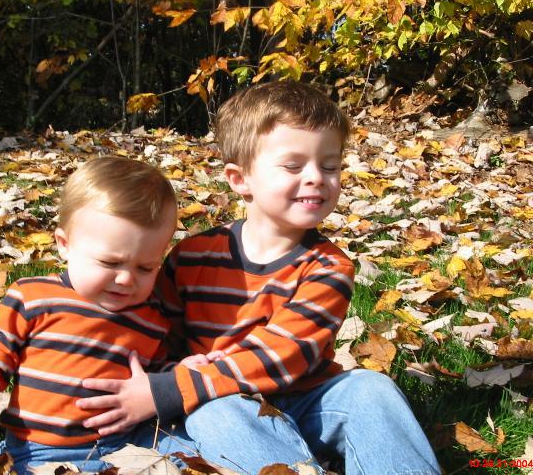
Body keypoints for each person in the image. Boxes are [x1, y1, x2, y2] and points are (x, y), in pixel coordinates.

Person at [77, 82, 442, 475]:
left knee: (372, 389)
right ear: (240, 179)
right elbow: (158, 334)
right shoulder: (192, 257)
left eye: (330, 166)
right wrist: (159, 377)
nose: (316, 177)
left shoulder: (328, 267)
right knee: (216, 412)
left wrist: (170, 390)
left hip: (307, 401)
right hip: (225, 407)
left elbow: (283, 355)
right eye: (293, 166)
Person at [0, 157, 203, 474]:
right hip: (42, 450)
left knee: (199, 450)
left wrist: (178, 374)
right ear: (64, 245)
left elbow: (150, 373)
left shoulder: (150, 316)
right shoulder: (33, 297)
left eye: (146, 268)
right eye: (110, 263)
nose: (126, 279)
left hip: (127, 444)